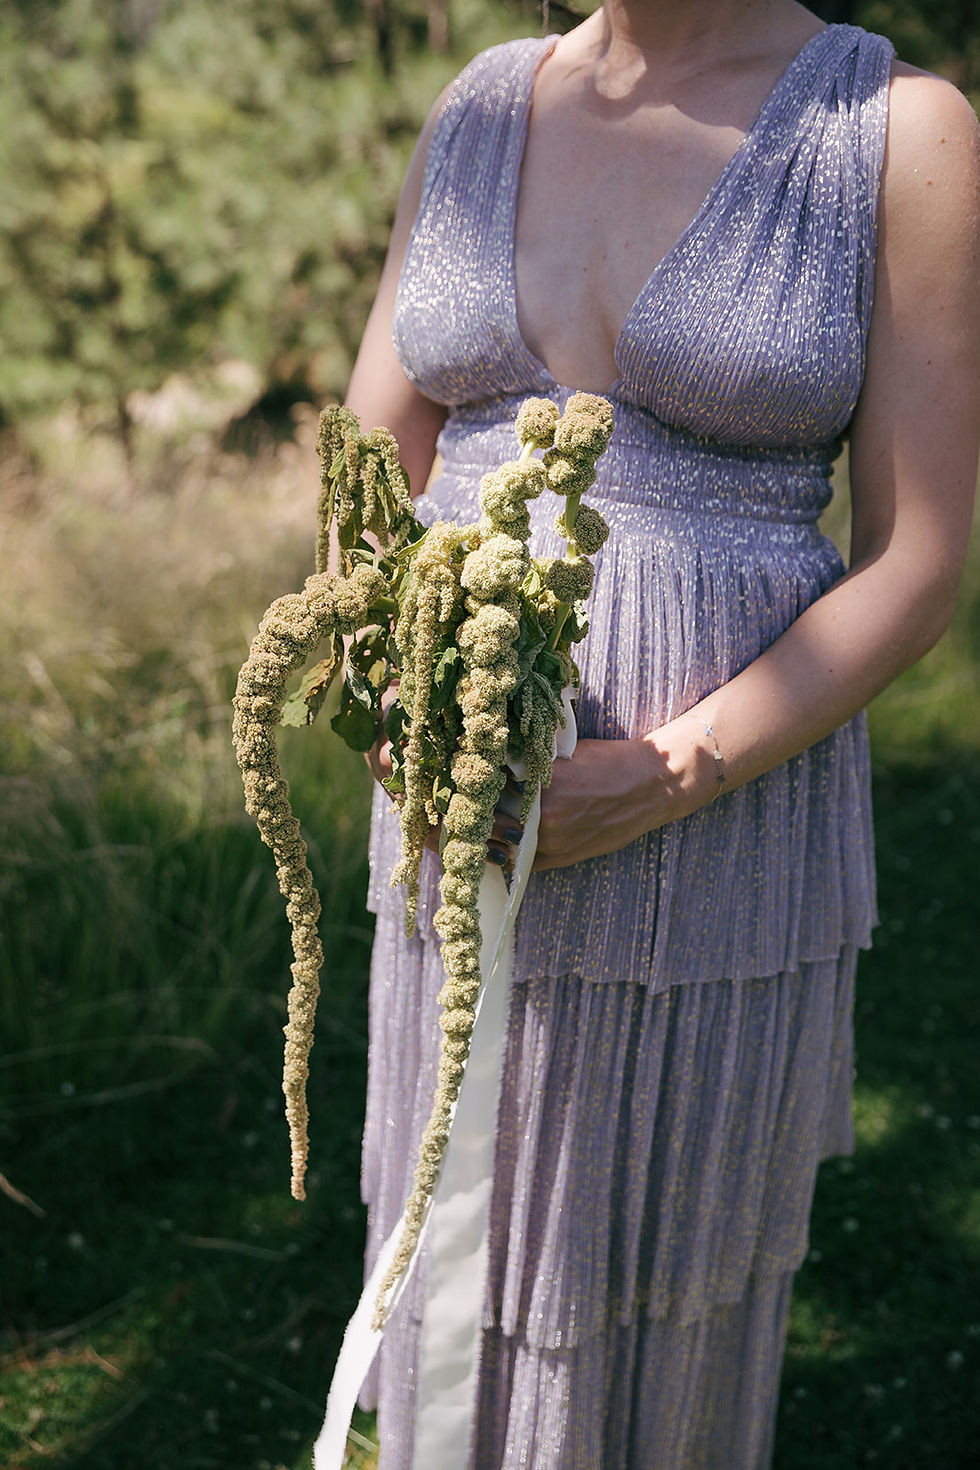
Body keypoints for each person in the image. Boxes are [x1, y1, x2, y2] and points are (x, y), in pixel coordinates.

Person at [342, 1, 979, 1465]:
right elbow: (374, 458)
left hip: (715, 824)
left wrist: (664, 774)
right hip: (460, 802)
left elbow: (916, 555)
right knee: (450, 1272)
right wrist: (386, 691)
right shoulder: (485, 105)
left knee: (653, 1300)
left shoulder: (894, 131)